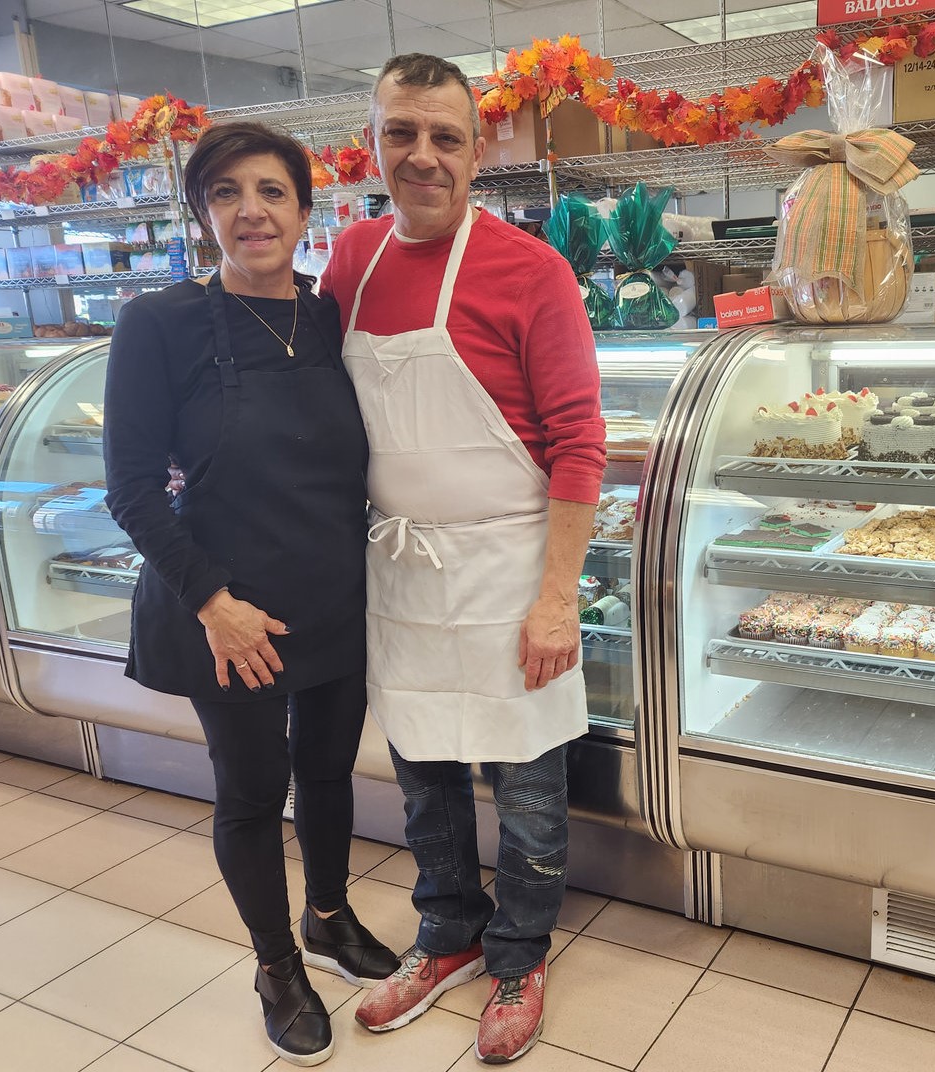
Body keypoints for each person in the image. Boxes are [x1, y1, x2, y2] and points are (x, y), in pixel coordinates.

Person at [318, 53, 605, 1064]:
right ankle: (447, 934)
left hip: (509, 570)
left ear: (479, 153)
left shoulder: (533, 271)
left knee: (527, 793)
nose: (423, 155)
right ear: (373, 143)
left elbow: (580, 444)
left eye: (446, 136)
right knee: (425, 781)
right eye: (401, 132)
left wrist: (557, 599)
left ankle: (520, 955)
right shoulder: (351, 260)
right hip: (399, 572)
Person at [103, 121, 400, 1067]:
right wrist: (213, 604)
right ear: (203, 214)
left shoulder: (331, 317)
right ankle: (277, 967)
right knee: (251, 791)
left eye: (272, 191)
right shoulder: (160, 324)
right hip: (226, 609)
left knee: (328, 771)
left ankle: (328, 915)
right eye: (226, 193)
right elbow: (131, 488)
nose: (251, 211)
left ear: (306, 210)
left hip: (331, 590)